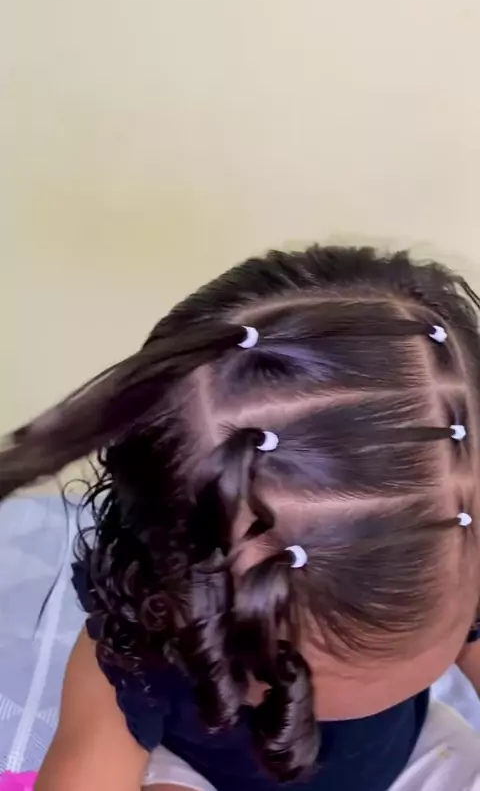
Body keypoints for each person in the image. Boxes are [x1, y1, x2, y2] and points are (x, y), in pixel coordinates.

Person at [0, 246, 479, 791]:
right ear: (178, 597)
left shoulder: (451, 551)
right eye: (272, 684)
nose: (295, 723)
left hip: (413, 762)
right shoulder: (132, 650)